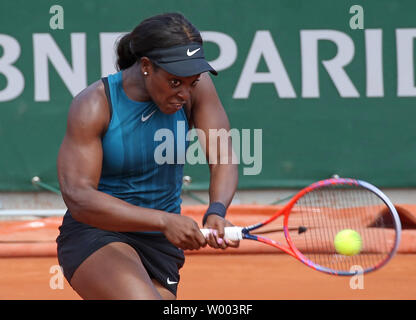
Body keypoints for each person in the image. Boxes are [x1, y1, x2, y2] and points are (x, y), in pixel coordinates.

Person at [56, 12, 239, 300]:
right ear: (146, 67)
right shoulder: (94, 104)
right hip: (97, 233)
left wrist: (216, 210)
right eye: (175, 82)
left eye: (191, 82)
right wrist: (164, 221)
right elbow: (78, 197)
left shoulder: (197, 87)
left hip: (161, 243)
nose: (185, 92)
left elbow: (222, 156)